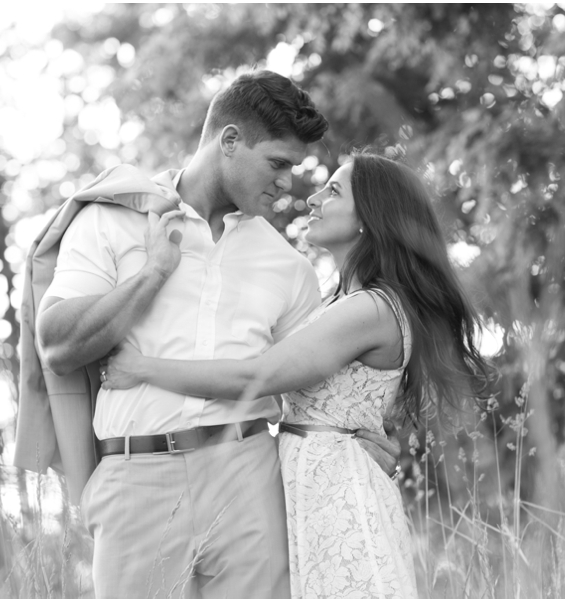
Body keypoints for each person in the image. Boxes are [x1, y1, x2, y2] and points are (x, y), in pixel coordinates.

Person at [34, 71, 400, 599]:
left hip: (249, 474)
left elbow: (313, 381)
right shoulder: (113, 221)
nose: (286, 183)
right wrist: (154, 273)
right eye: (277, 163)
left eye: (292, 168)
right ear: (229, 140)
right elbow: (58, 345)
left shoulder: (286, 264)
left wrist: (355, 438)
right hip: (136, 477)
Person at [103, 152, 494, 598]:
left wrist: (142, 368)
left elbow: (259, 376)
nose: (312, 198)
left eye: (333, 191)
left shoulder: (370, 309)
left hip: (339, 494)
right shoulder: (340, 302)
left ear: (370, 216)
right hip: (314, 486)